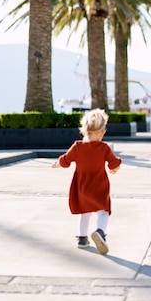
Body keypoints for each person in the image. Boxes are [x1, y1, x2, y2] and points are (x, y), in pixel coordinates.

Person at [52, 108, 121, 253]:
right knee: (103, 211)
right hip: (100, 186)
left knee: (85, 212)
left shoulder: (77, 147)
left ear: (84, 131)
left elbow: (65, 160)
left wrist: (57, 164)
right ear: (102, 132)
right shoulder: (104, 148)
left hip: (82, 186)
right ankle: (100, 232)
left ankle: (82, 239)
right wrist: (116, 167)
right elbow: (114, 163)